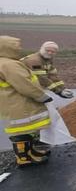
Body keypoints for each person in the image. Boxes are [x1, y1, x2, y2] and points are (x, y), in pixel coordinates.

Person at [0, 36, 53, 167]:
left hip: (16, 103)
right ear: (8, 48)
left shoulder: (6, 62)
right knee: (20, 132)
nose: (20, 49)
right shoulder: (9, 65)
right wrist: (41, 96)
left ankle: (30, 152)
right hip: (17, 104)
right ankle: (23, 158)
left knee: (26, 131)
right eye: (16, 46)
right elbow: (25, 84)